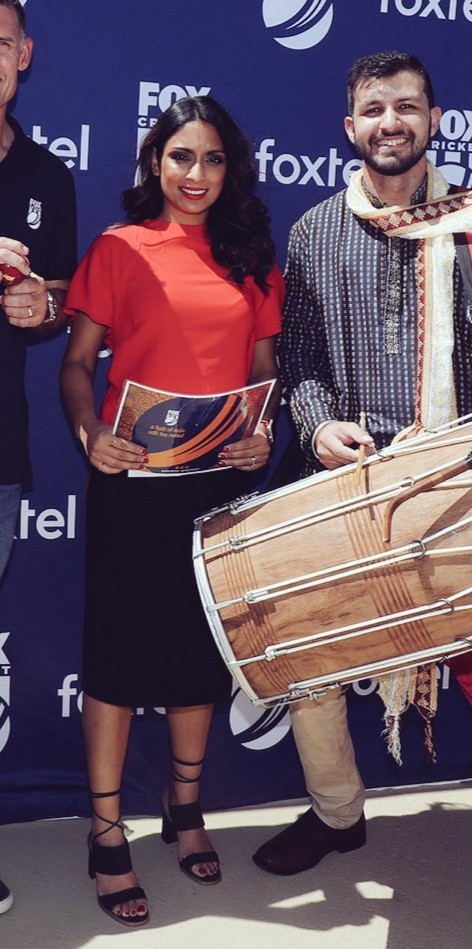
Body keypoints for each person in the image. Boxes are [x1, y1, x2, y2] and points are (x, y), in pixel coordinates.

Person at [60, 95, 283, 926]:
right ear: (156, 161)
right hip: (131, 481)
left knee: (199, 658)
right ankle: (106, 829)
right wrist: (91, 433)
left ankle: (184, 806)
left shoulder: (251, 257)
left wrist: (260, 433)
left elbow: (263, 371)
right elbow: (77, 364)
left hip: (216, 485)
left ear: (232, 169)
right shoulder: (119, 248)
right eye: (181, 156)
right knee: (116, 661)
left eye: (213, 158)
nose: (197, 174)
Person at [252, 49, 472, 877]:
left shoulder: (470, 222)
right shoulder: (313, 231)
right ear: (350, 127)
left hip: (458, 483)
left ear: (434, 120)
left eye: (406, 107)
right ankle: (336, 813)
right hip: (350, 483)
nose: (391, 123)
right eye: (374, 109)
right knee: (311, 654)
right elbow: (300, 360)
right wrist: (316, 429)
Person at [0, 0, 77, 914]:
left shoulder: (47, 176)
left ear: (23, 55)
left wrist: (40, 306)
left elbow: (56, 297)